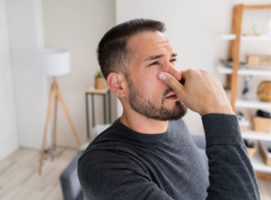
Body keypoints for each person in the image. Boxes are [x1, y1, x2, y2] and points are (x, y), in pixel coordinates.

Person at [78, 18, 260, 200]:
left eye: (172, 60)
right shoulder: (104, 165)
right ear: (118, 85)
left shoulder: (173, 121)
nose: (175, 74)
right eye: (155, 64)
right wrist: (219, 112)